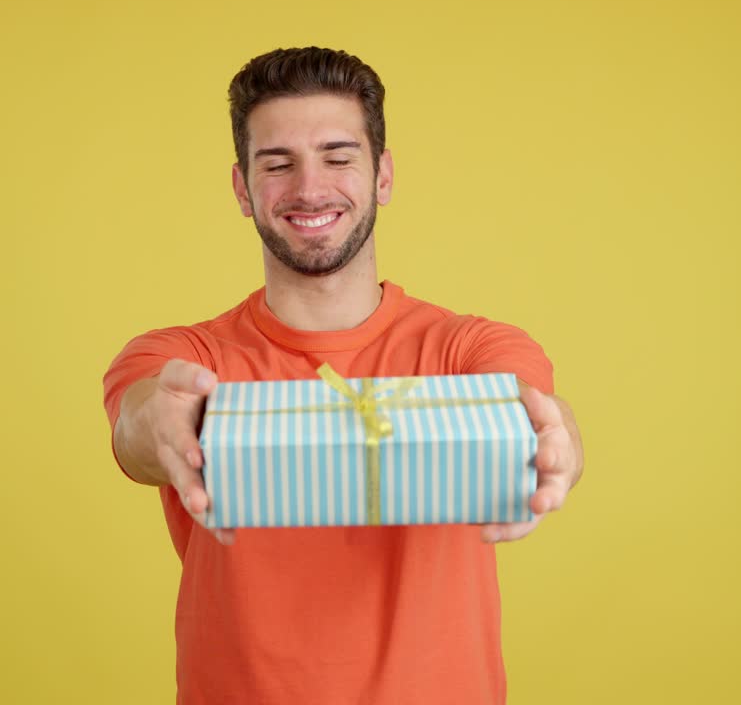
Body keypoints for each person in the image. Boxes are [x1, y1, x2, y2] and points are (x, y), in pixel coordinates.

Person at [102, 46, 583, 705]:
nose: (309, 188)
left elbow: (534, 411)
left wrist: (559, 443)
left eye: (338, 157)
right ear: (243, 188)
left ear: (382, 176)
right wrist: (160, 424)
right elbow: (138, 428)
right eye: (278, 164)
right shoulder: (183, 358)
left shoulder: (472, 348)